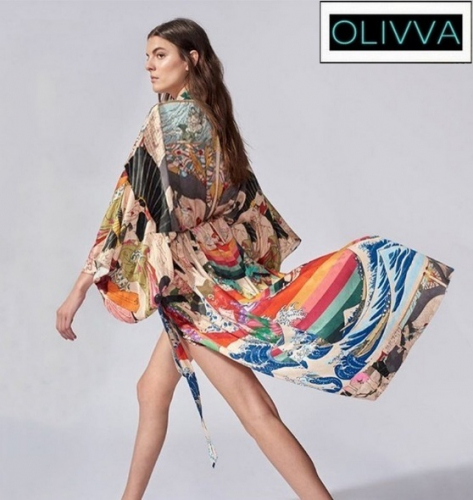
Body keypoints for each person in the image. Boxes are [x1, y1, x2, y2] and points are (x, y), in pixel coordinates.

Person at [56, 17, 454, 500]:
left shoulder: (168, 121)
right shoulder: (212, 119)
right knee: (152, 390)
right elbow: (245, 209)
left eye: (160, 55)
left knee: (253, 409)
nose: (149, 66)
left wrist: (81, 287)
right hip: (208, 278)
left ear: (191, 59)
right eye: (148, 56)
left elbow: (129, 208)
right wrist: (237, 271)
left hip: (196, 291)